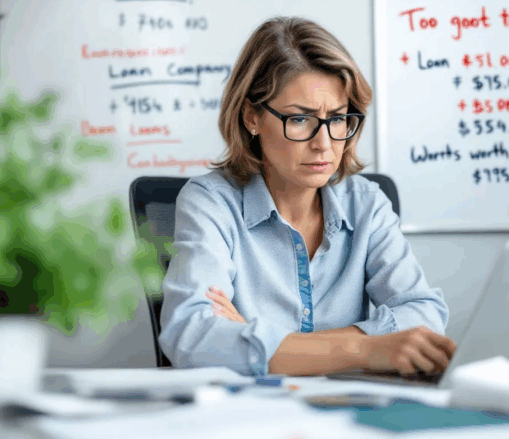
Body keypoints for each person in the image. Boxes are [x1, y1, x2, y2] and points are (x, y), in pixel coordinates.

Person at [158, 17, 455, 377]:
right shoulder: (210, 202)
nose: (325, 144)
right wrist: (365, 348)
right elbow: (191, 337)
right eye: (300, 120)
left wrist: (266, 343)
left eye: (338, 118)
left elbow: (425, 316)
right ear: (252, 117)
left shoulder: (367, 203)